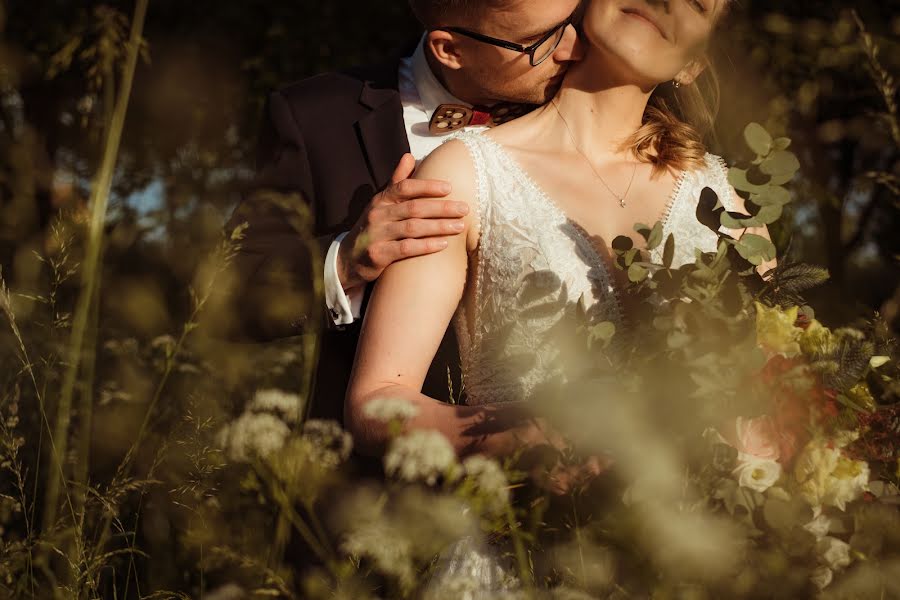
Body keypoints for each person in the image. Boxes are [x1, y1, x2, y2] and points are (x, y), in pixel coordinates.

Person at [347, 0, 775, 467]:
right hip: (523, 531)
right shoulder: (463, 173)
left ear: (693, 64)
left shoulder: (731, 207)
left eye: (696, 3)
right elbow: (376, 402)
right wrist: (515, 439)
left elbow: (778, 392)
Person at [223, 0, 583, 427]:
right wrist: (345, 259)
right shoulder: (314, 116)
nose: (573, 50)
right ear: (449, 50)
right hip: (379, 474)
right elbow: (225, 294)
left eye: (572, 23)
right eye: (539, 42)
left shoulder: (592, 98)